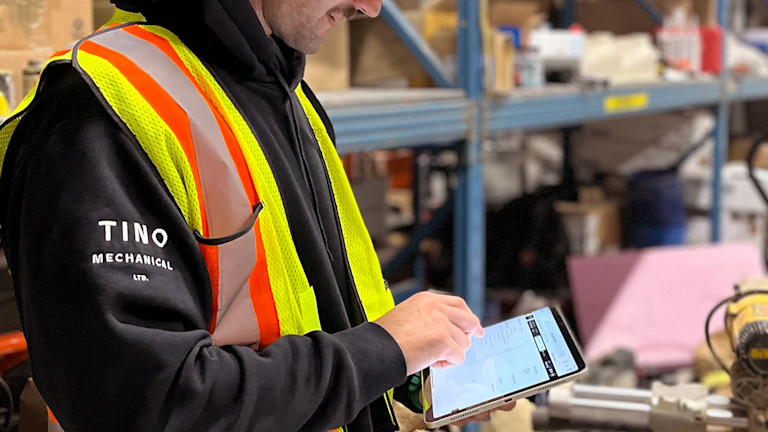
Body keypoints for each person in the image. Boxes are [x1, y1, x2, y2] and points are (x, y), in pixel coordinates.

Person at [0, 0, 513, 430]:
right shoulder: (97, 117)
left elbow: (319, 315)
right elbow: (150, 402)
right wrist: (383, 351)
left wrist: (419, 369)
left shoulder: (282, 92)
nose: (370, 7)